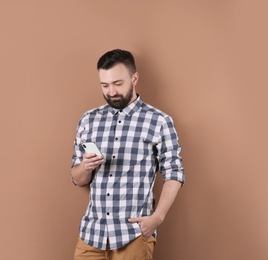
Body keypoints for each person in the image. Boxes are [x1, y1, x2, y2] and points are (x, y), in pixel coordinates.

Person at [70, 49, 185, 260]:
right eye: (104, 85)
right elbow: (78, 179)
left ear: (134, 78)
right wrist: (86, 166)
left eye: (118, 83)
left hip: (132, 235)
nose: (111, 91)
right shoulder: (88, 120)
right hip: (91, 234)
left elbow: (174, 173)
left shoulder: (159, 121)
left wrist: (157, 218)